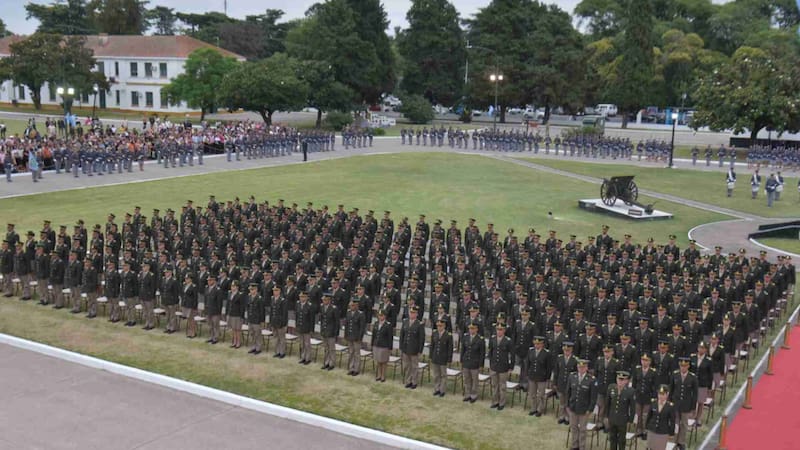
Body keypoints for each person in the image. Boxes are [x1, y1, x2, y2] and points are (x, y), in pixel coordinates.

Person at [566, 359, 597, 450]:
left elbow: (593, 397)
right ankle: (574, 445)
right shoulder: (572, 376)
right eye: (579, 367)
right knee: (574, 427)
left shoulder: (591, 380)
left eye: (583, 367)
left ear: (586, 368)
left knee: (583, 429)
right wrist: (567, 405)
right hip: (573, 407)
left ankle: (582, 446)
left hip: (584, 409)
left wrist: (590, 409)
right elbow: (568, 392)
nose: (581, 369)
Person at [670, 357, 699, 449]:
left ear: (688, 366)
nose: (683, 368)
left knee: (684, 424)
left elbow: (695, 394)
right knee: (676, 423)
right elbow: (671, 390)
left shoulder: (693, 377)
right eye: (681, 366)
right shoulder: (675, 375)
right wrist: (670, 402)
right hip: (675, 403)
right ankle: (674, 441)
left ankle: (681, 441)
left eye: (685, 366)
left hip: (686, 404)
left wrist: (693, 407)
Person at [606, 371, 635, 450]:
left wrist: (630, 420)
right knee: (612, 438)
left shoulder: (630, 391)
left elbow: (632, 408)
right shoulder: (611, 388)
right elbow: (607, 403)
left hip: (622, 420)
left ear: (626, 381)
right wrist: (606, 416)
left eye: (622, 380)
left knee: (622, 440)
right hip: (612, 418)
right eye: (619, 379)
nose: (620, 381)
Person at [400, 305, 426, 389]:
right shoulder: (405, 321)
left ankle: (414, 382)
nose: (412, 314)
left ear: (417, 314)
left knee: (414, 366)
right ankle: (408, 381)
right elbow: (402, 335)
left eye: (413, 313)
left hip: (414, 348)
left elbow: (421, 338)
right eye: (411, 312)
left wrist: (420, 350)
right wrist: (401, 346)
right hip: (406, 347)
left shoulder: (419, 324)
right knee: (407, 366)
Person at [526, 335, 552, 416]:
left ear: (542, 344)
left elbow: (548, 367)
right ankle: (533, 408)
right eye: (535, 344)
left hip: (541, 377)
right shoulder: (531, 351)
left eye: (538, 344)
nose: (536, 345)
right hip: (532, 376)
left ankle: (540, 409)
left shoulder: (546, 353)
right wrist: (527, 373)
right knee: (532, 394)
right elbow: (528, 363)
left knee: (541, 395)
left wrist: (547, 377)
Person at [461, 321, 485, 403]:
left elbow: (482, 353)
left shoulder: (480, 339)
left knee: (474, 380)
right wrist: (462, 360)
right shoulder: (465, 337)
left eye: (473, 328)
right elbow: (463, 350)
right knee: (467, 379)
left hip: (475, 363)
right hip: (466, 361)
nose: (471, 330)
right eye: (470, 328)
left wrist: (481, 364)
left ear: (477, 329)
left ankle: (473, 395)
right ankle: (467, 394)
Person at [646, 385, 676, 450]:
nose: (660, 396)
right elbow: (649, 416)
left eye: (663, 394)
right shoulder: (653, 402)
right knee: (650, 447)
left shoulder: (670, 406)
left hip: (663, 432)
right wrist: (647, 426)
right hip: (652, 429)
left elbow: (672, 421)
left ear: (667, 394)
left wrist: (671, 433)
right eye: (659, 394)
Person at [429, 317, 453, 397]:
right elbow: (432, 346)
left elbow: (450, 348)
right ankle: (437, 389)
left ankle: (442, 390)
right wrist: (431, 356)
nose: (439, 327)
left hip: (443, 358)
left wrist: (449, 359)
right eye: (438, 326)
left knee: (443, 375)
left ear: (444, 326)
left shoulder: (448, 335)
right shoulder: (435, 333)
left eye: (441, 326)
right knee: (436, 375)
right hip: (435, 356)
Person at [344, 298, 366, 376]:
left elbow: (362, 327)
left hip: (356, 337)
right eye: (350, 305)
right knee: (351, 352)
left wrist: (359, 338)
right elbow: (346, 325)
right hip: (350, 336)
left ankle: (356, 369)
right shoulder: (348, 313)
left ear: (356, 306)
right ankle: (351, 368)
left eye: (353, 305)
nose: (351, 307)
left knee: (357, 353)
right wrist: (346, 335)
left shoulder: (360, 314)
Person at [371, 309, 393, 382]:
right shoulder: (376, 323)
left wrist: (390, 347)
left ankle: (383, 375)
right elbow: (374, 335)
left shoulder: (388, 325)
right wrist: (372, 343)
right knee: (378, 361)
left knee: (383, 361)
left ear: (385, 316)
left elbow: (390, 337)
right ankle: (379, 374)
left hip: (384, 346)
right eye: (379, 315)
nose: (380, 317)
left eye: (381, 315)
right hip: (376, 344)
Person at [319, 292, 339, 370]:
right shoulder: (322, 307)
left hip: (331, 331)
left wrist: (335, 332)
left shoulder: (334, 308)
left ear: (329, 300)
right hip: (324, 330)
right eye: (323, 300)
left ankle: (332, 363)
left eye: (325, 300)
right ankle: (326, 362)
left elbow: (337, 322)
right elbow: (322, 319)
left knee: (331, 349)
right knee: (326, 348)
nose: (324, 301)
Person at [295, 290, 315, 364]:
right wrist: (297, 326)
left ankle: (308, 358)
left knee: (307, 344)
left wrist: (311, 329)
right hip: (300, 327)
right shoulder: (298, 304)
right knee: (302, 343)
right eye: (300, 297)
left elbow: (312, 319)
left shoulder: (310, 306)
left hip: (307, 328)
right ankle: (303, 357)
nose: (301, 298)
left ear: (306, 298)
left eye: (303, 297)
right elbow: (297, 316)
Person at [160, 266, 180, 333]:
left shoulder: (174, 281)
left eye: (167, 272)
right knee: (167, 315)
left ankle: (173, 328)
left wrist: (175, 301)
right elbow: (162, 290)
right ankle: (168, 327)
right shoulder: (163, 279)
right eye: (165, 272)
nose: (166, 273)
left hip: (171, 301)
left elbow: (176, 292)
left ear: (171, 272)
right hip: (165, 299)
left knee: (172, 315)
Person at [270, 285, 289, 358]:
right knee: (276, 337)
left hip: (280, 322)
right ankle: (277, 351)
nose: (275, 292)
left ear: (279, 291)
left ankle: (282, 352)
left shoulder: (283, 300)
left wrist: (283, 323)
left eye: (276, 290)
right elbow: (272, 311)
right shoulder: (272, 298)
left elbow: (284, 313)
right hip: (274, 322)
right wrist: (271, 322)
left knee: (282, 338)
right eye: (274, 290)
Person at [226, 280, 245, 348]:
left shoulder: (240, 294)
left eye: (233, 286)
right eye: (231, 286)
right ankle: (234, 341)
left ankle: (238, 342)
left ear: (237, 287)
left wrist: (241, 316)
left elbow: (242, 306)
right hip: (231, 313)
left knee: (238, 329)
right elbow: (228, 304)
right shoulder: (229, 293)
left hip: (237, 315)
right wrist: (227, 313)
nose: (232, 287)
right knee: (233, 329)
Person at [180, 273, 198, 338]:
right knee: (188, 319)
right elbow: (183, 295)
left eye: (187, 279)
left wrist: (194, 306)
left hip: (191, 305)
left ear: (191, 279)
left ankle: (193, 332)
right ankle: (189, 332)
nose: (186, 280)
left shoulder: (193, 286)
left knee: (192, 319)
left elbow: (195, 297)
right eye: (185, 278)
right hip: (185, 304)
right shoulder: (184, 285)